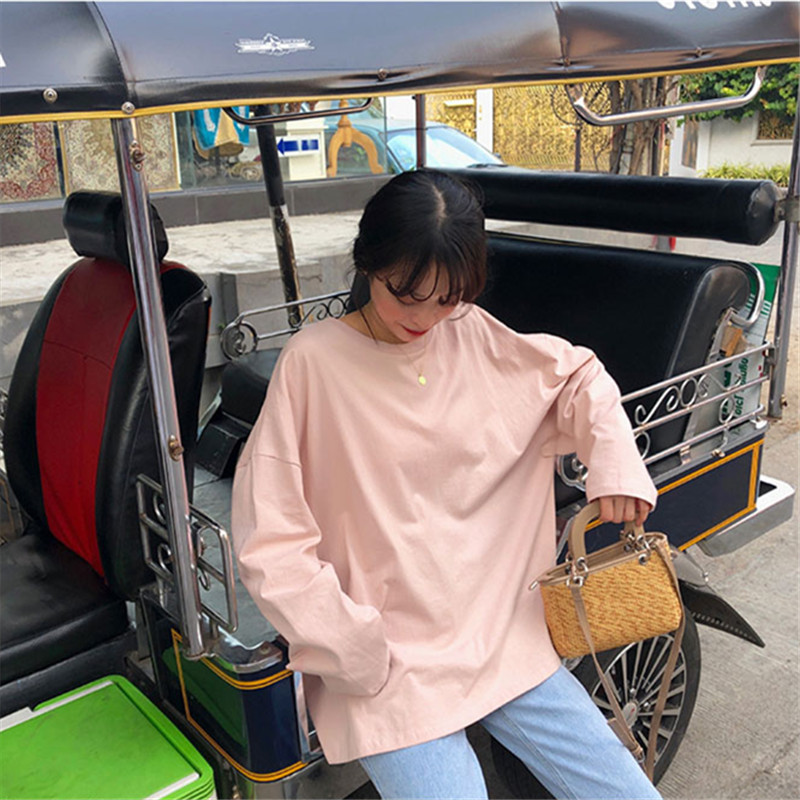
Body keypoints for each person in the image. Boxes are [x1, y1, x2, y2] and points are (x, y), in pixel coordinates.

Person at [232, 169, 661, 800]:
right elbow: (270, 537)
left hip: (501, 633)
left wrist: (614, 463)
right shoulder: (312, 363)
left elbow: (578, 377)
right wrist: (351, 647)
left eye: (447, 299)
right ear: (368, 262)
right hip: (392, 667)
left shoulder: (470, 332)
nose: (425, 318)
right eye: (406, 295)